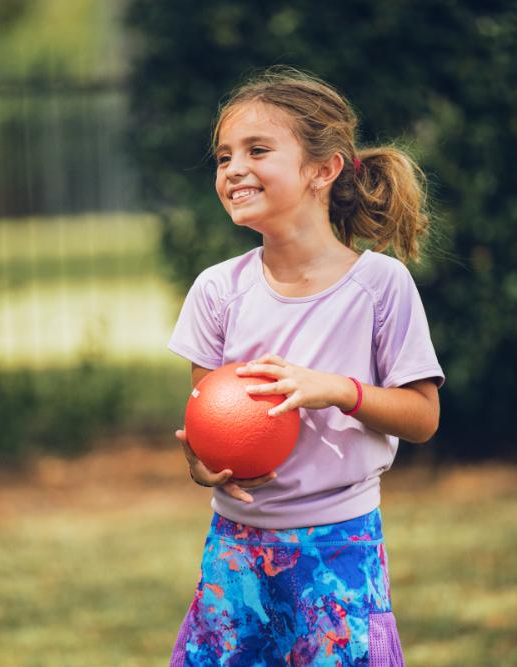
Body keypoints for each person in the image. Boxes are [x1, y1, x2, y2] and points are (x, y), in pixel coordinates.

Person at [166, 66, 445, 666]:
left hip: (340, 544)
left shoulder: (379, 286)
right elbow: (208, 419)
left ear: (324, 169)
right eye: (223, 157)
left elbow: (422, 417)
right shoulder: (218, 291)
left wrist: (339, 390)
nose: (234, 167)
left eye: (257, 150)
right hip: (236, 549)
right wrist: (203, 461)